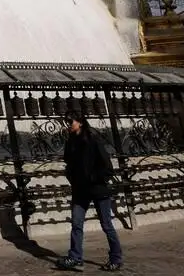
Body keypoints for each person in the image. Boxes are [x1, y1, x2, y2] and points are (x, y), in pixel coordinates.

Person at [56, 114, 124, 272]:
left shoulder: (93, 141)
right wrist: (72, 178)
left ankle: (116, 258)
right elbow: (69, 164)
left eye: (70, 121)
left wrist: (92, 177)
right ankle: (75, 257)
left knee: (106, 225)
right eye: (65, 122)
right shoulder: (70, 142)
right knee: (76, 224)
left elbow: (108, 168)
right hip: (80, 191)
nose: (67, 125)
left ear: (79, 122)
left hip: (98, 189)